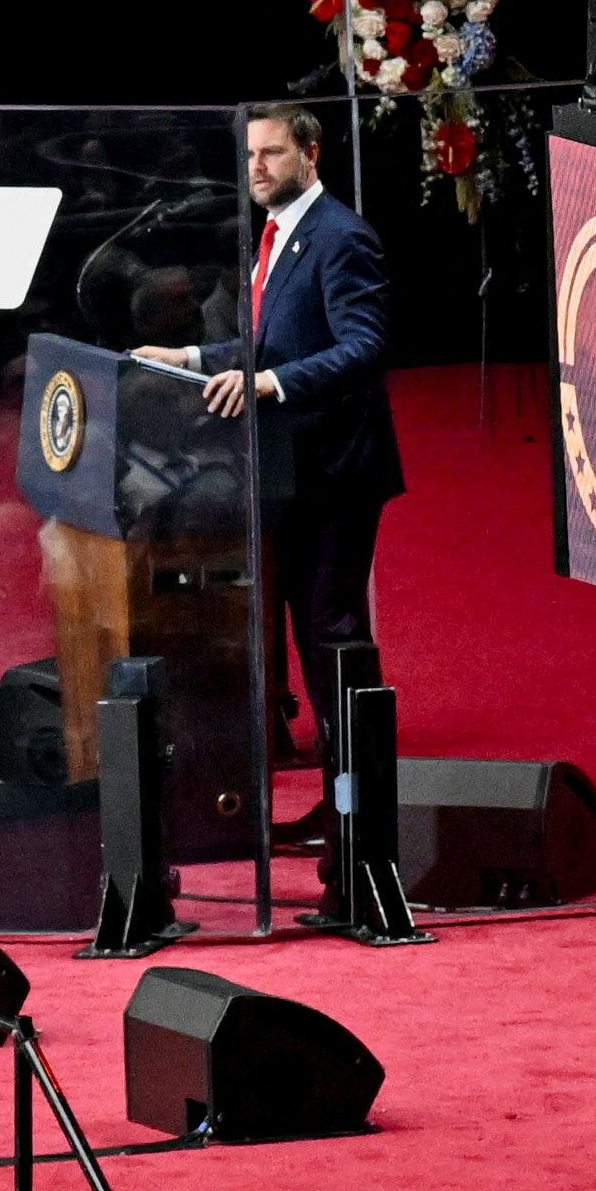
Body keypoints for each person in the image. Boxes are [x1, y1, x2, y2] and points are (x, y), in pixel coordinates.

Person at [198, 100, 401, 761]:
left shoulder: (341, 236)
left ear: (310, 155)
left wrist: (269, 383)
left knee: (330, 623)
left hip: (338, 467)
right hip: (291, 467)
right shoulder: (276, 232)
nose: (256, 167)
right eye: (248, 155)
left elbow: (364, 345)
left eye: (272, 152)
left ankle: (362, 780)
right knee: (303, 618)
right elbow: (270, 342)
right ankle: (332, 769)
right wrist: (193, 357)